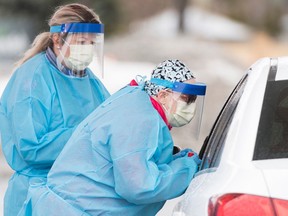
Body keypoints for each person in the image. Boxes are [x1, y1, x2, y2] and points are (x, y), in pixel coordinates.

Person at [19, 59, 207, 216]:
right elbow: (140, 187)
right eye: (186, 99)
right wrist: (187, 168)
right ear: (163, 94)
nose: (191, 105)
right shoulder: (139, 118)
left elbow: (134, 160)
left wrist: (176, 160)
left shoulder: (137, 102)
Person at [0, 3, 110, 216]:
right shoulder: (32, 78)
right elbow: (32, 148)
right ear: (57, 39)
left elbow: (107, 122)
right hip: (36, 196)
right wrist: (85, 133)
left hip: (77, 194)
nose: (87, 48)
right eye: (81, 42)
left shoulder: (86, 78)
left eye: (91, 43)